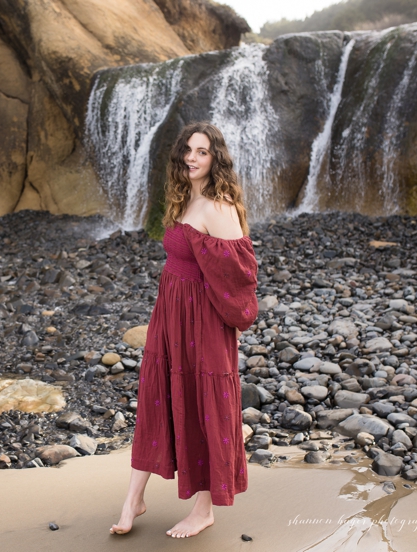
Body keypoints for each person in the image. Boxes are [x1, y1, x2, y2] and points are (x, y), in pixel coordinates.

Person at [110, 122, 259, 538]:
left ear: (216, 160)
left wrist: (235, 321)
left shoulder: (217, 204)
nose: (192, 157)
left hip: (203, 322)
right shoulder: (184, 196)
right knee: (157, 396)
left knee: (203, 406)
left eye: (203, 151)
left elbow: (240, 270)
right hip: (170, 315)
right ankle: (133, 498)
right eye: (188, 150)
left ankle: (204, 509)